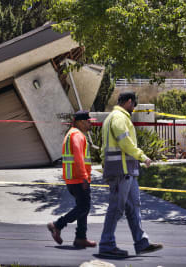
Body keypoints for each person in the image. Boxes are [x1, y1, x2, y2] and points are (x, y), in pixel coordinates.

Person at [98, 92, 163, 258]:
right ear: (128, 102)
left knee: (134, 207)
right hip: (121, 172)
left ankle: (141, 242)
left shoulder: (113, 117)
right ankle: (106, 244)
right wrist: (142, 156)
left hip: (126, 172)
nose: (134, 108)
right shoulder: (119, 118)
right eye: (134, 104)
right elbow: (125, 142)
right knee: (116, 208)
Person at [47, 110, 96, 248]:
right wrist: (84, 177)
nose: (90, 123)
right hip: (78, 179)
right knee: (84, 207)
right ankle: (57, 225)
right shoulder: (77, 135)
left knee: (83, 208)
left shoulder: (73, 134)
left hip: (73, 179)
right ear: (81, 122)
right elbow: (78, 158)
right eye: (88, 121)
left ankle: (81, 237)